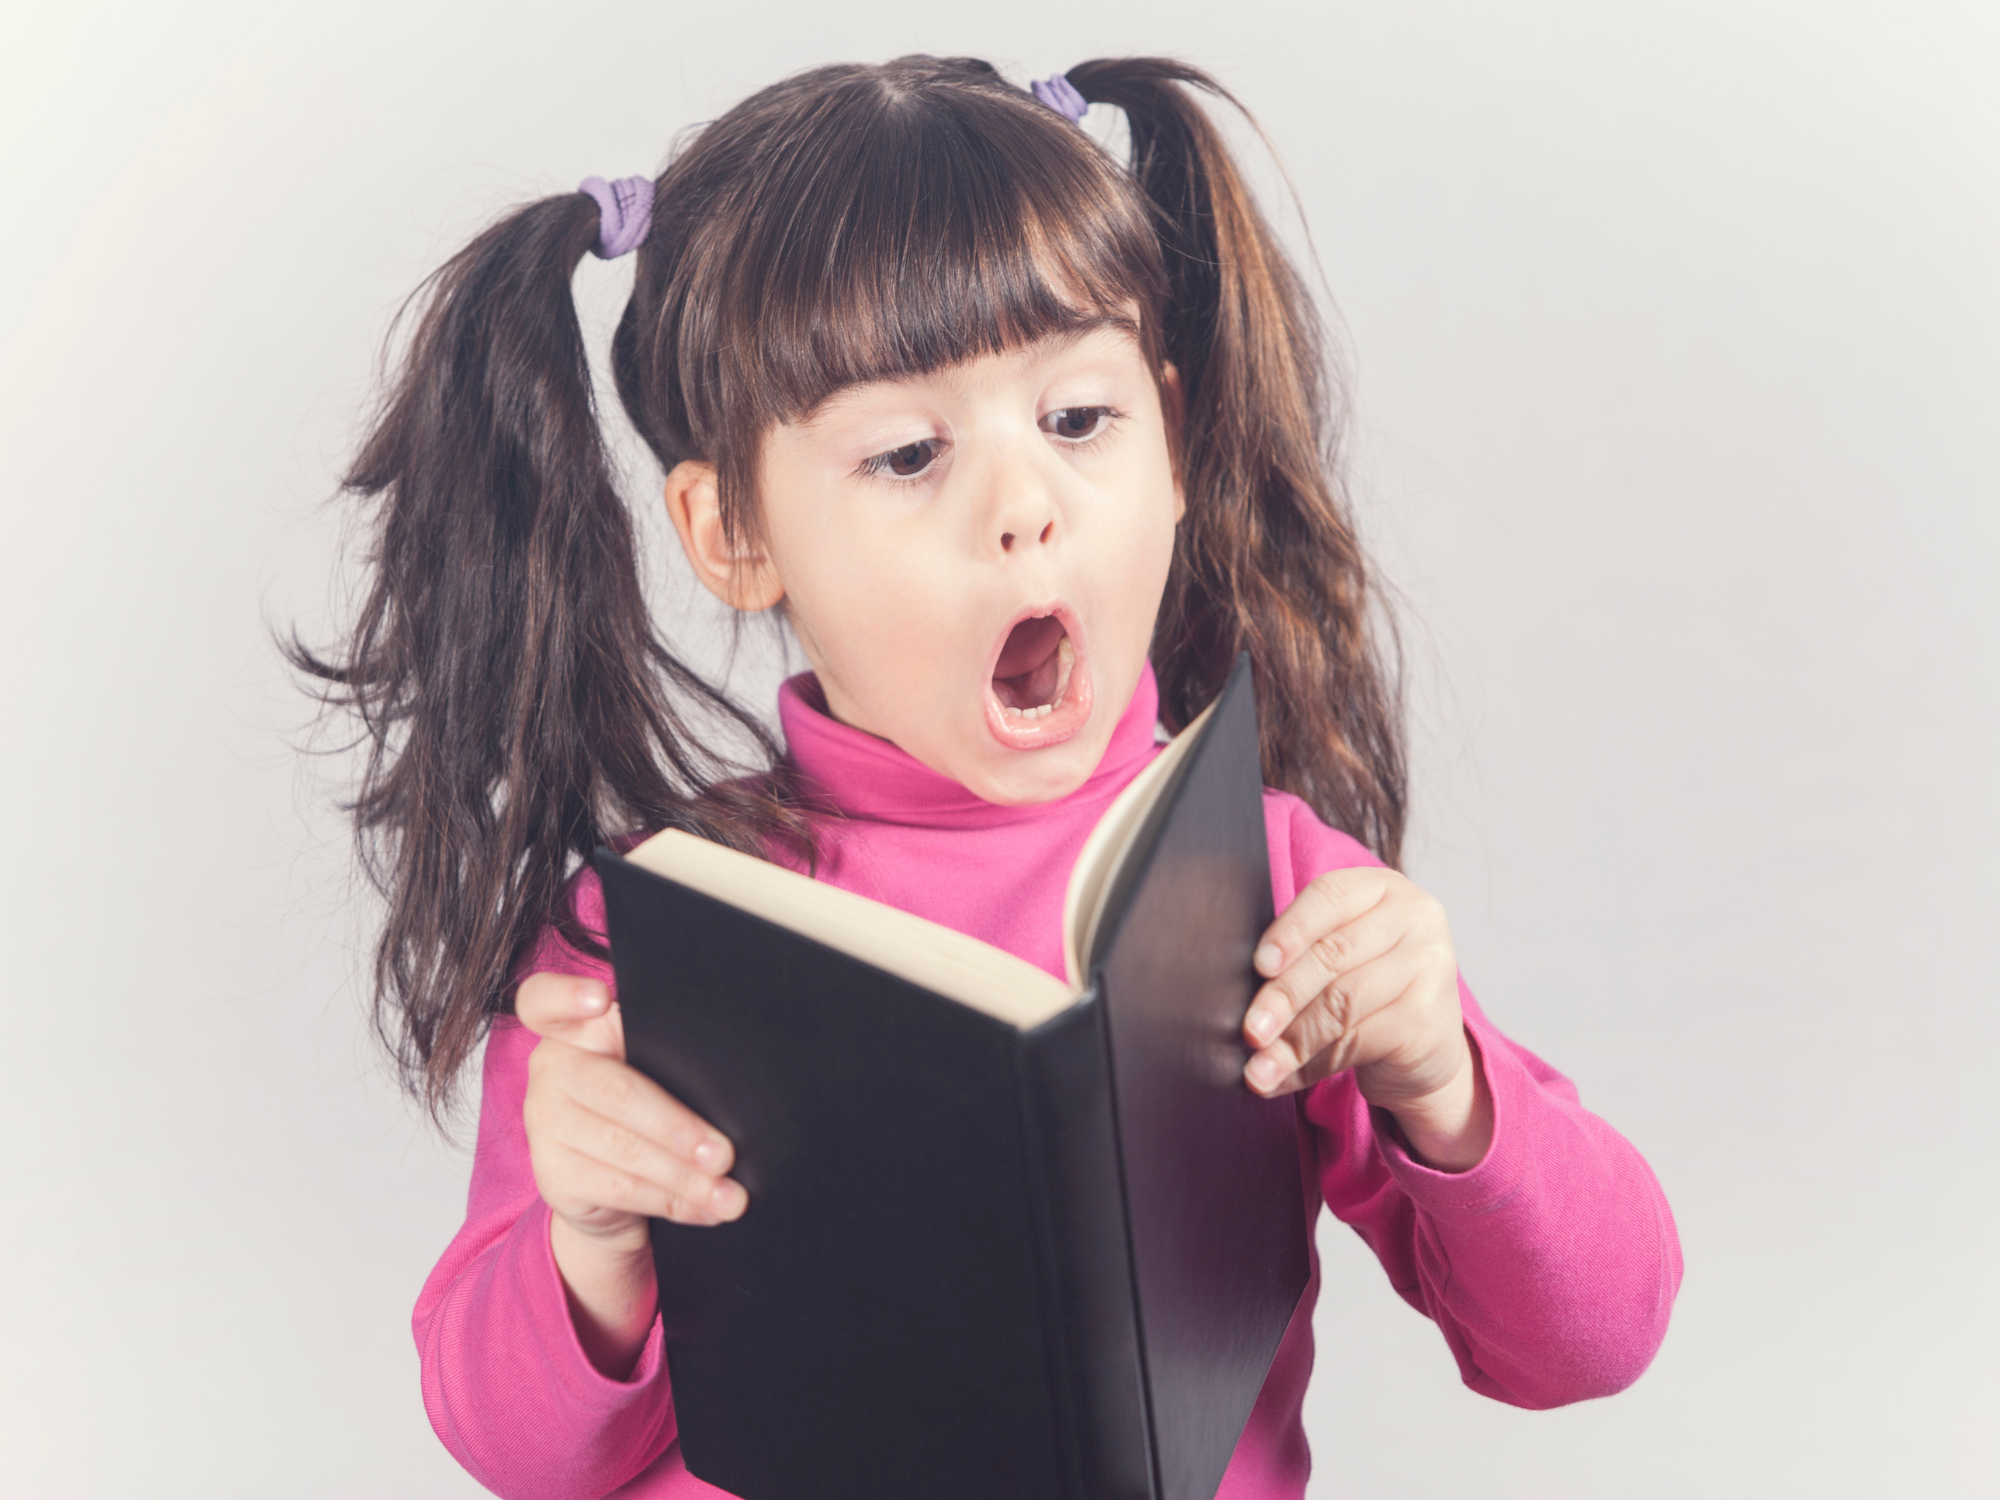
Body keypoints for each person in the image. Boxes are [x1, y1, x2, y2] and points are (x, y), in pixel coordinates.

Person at [299, 55, 1681, 1500]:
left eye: (1079, 423)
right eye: (907, 455)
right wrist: (588, 1246)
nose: (1023, 509)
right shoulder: (646, 947)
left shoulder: (1270, 888)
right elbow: (516, 1453)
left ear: (1172, 438)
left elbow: (1597, 1334)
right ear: (731, 533)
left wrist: (1442, 1085)